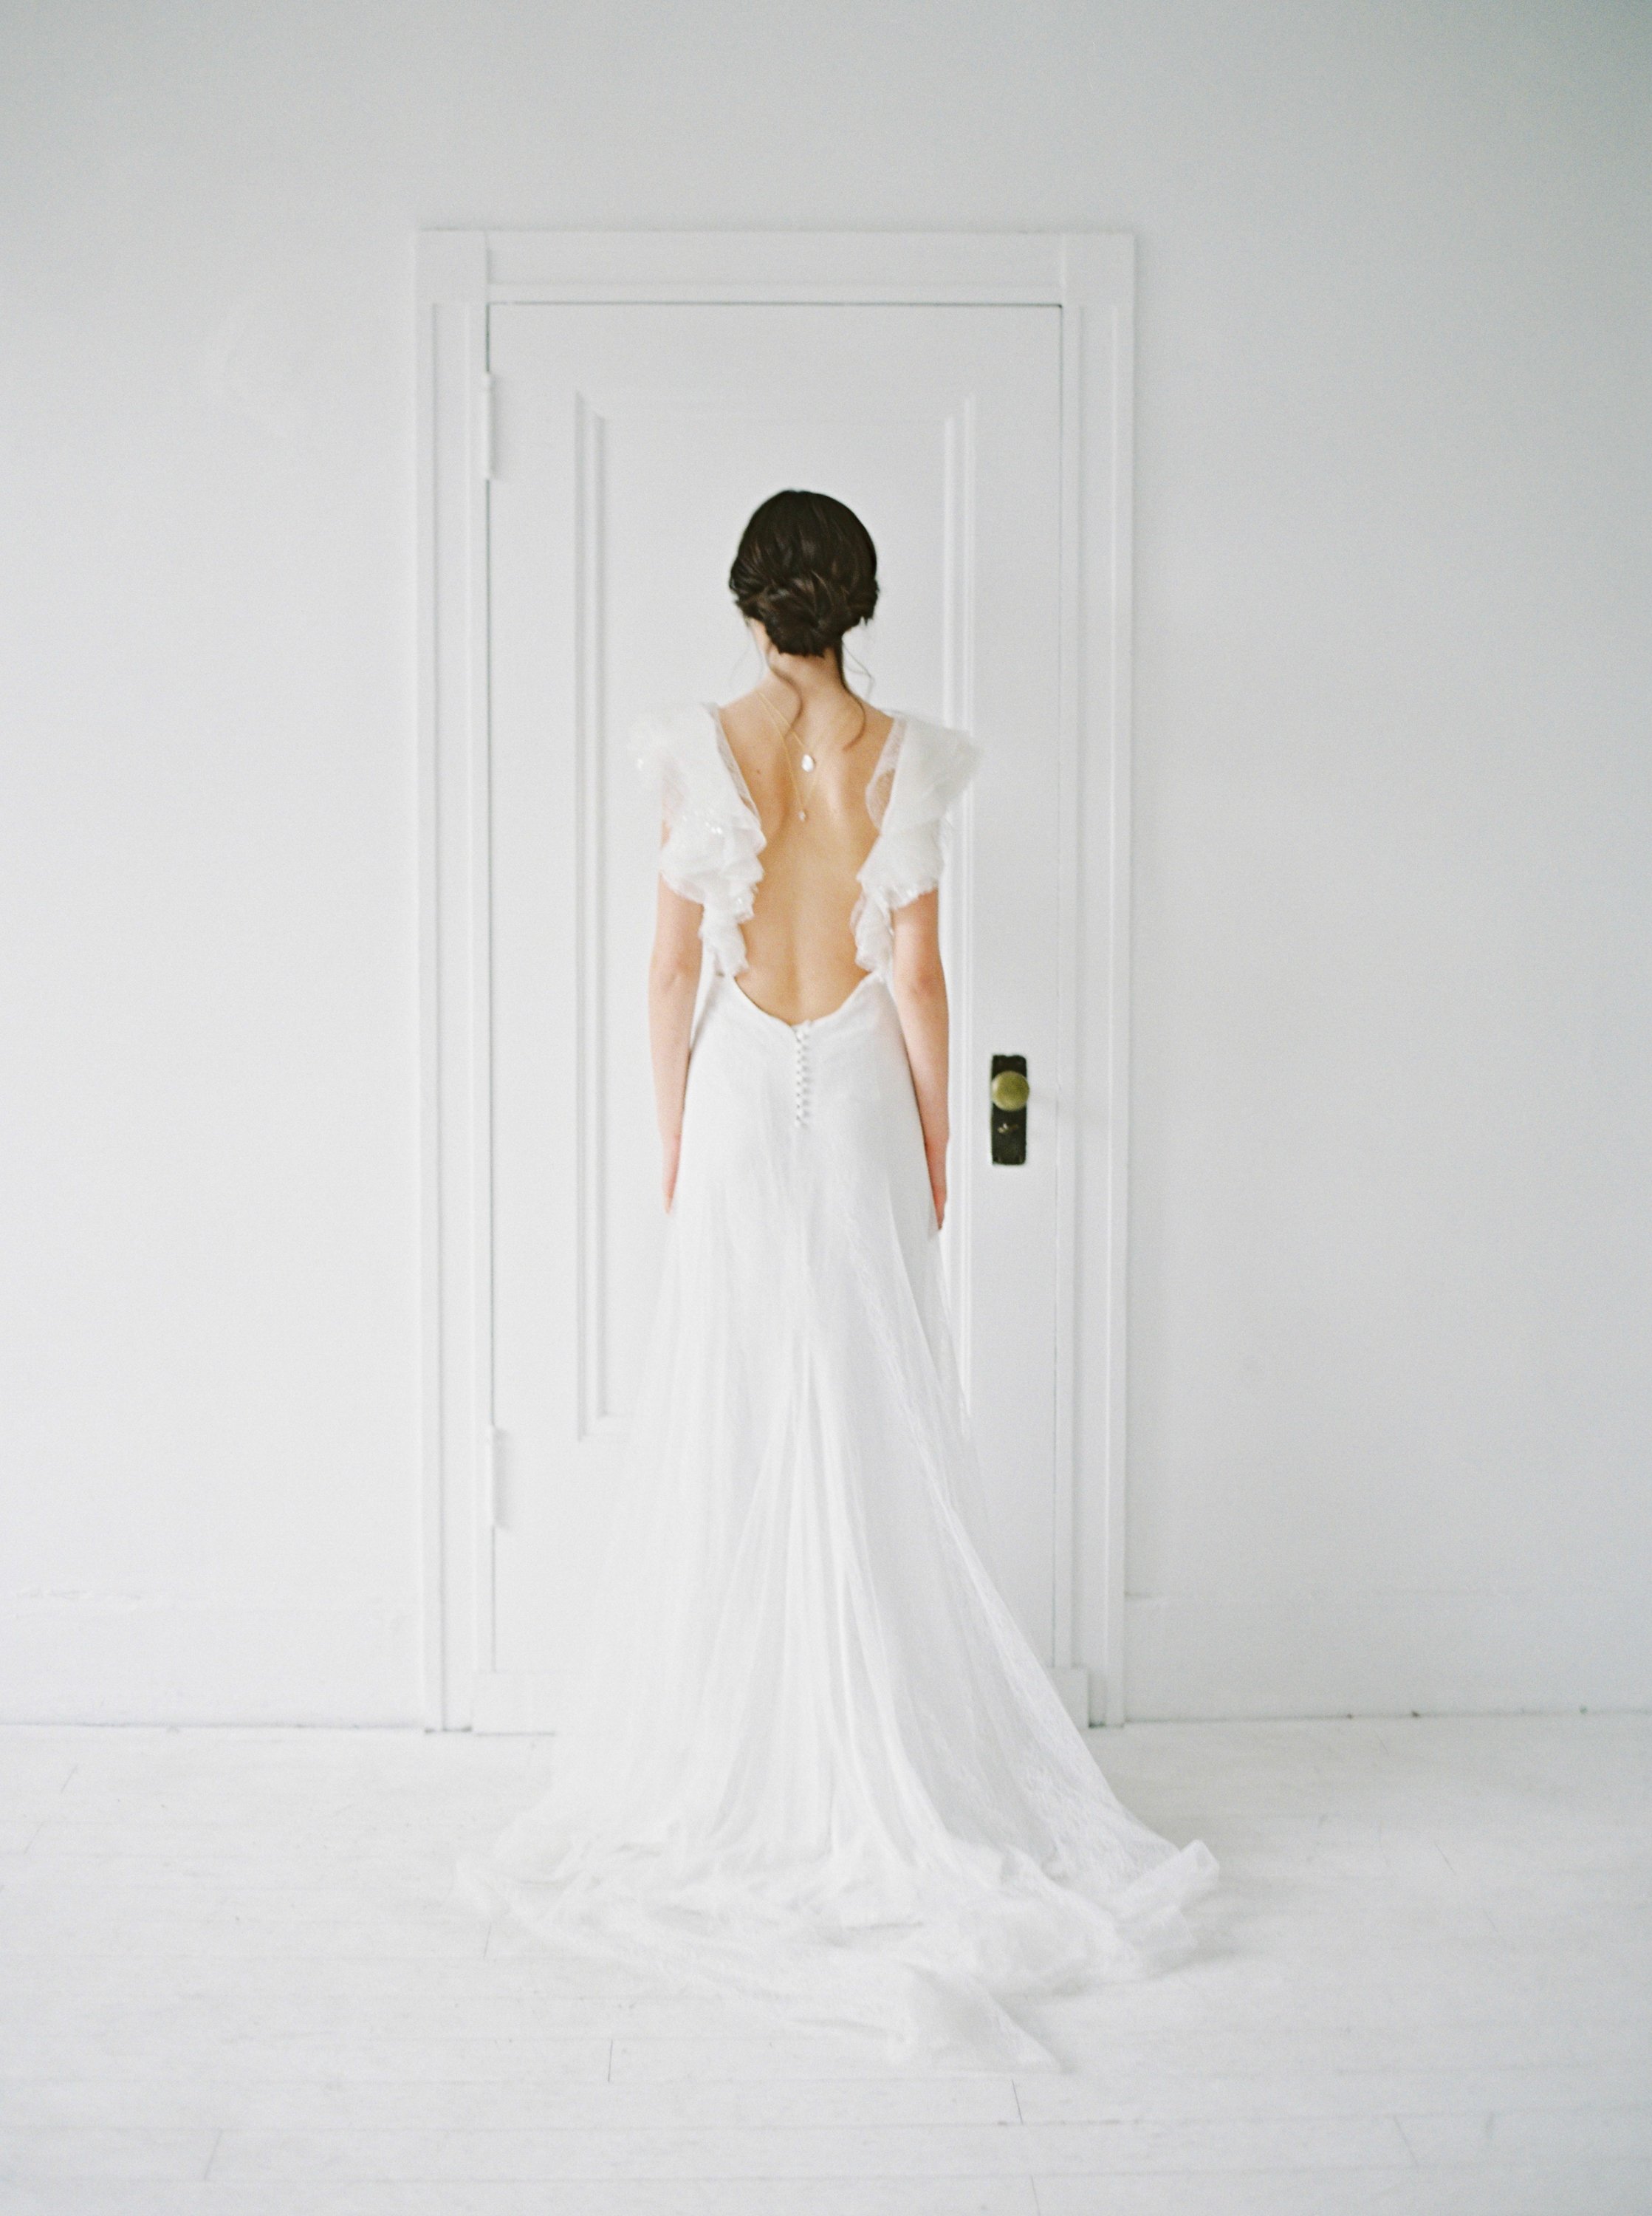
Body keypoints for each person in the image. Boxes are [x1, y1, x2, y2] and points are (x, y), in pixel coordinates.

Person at [455, 489, 1216, 2070]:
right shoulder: (906, 759)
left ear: (750, 608)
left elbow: (672, 966)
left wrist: (675, 1135)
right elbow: (917, 976)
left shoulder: (695, 749)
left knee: (736, 1403)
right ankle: (873, 1741)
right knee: (872, 1406)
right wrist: (935, 1145)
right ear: (854, 607)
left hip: (743, 1087)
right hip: (862, 1082)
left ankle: (747, 1749)